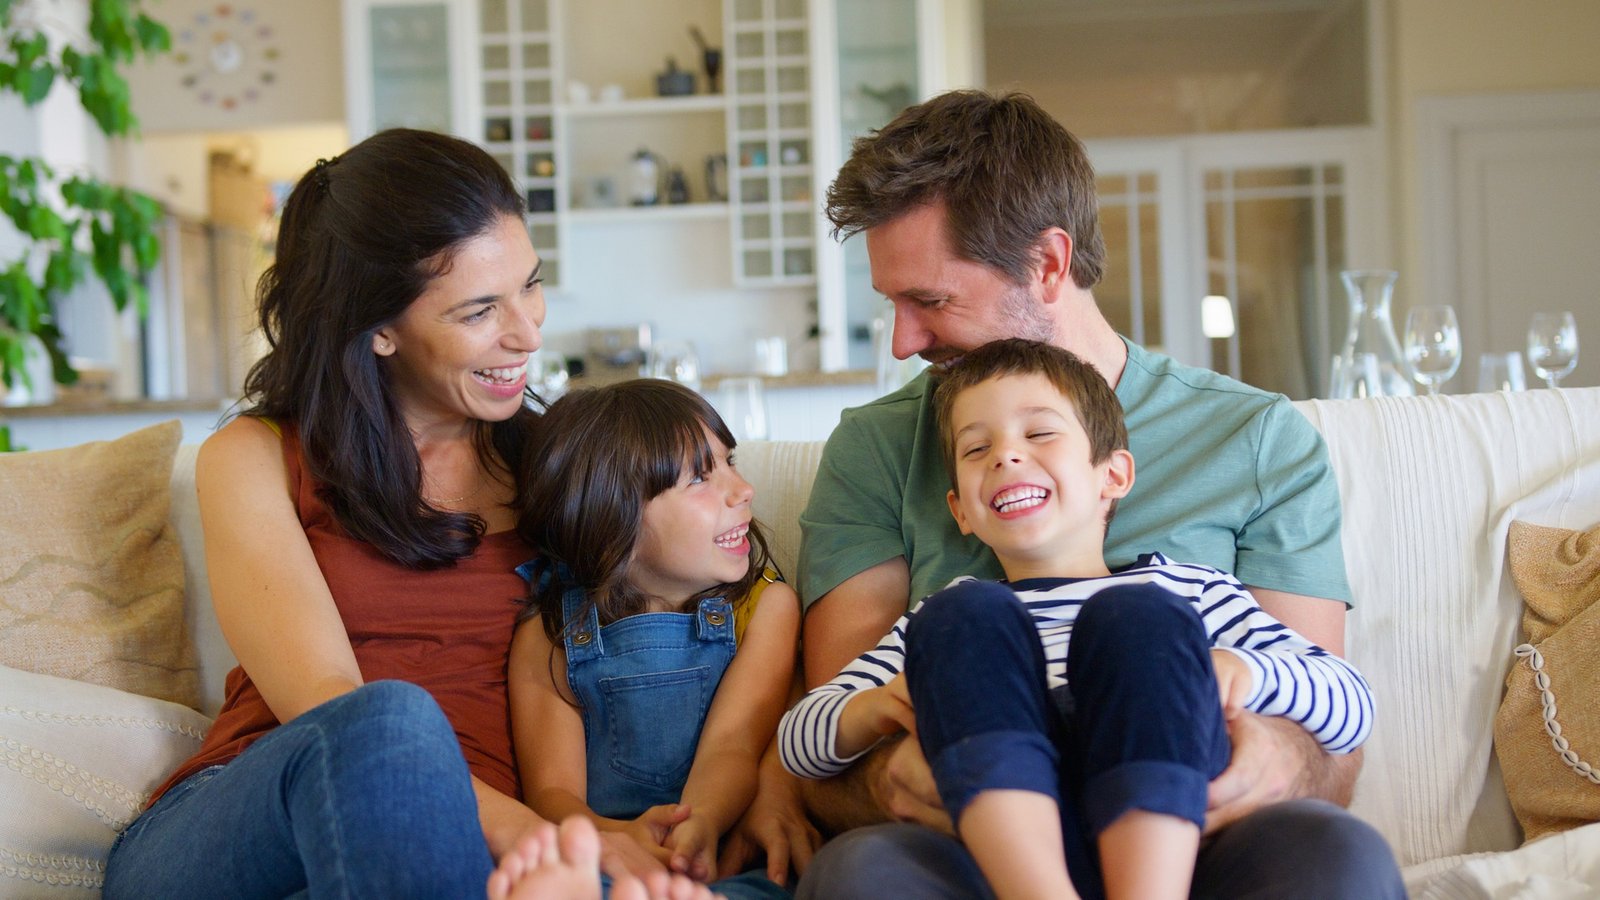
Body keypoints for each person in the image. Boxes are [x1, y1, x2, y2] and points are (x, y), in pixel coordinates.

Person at [794, 90, 1404, 898]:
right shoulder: (874, 447)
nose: (904, 341)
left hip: (1197, 839)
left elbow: (1328, 738)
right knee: (857, 874)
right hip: (973, 847)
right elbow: (831, 755)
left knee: (1336, 856)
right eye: (892, 305)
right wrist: (892, 778)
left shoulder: (1256, 439)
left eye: (931, 301)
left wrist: (1275, 757)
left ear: (1048, 264)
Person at [103, 129, 710, 900]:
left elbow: (706, 600)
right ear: (379, 328)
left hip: (462, 863)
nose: (527, 332)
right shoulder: (255, 458)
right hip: (246, 827)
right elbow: (325, 697)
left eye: (530, 285)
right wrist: (542, 838)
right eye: (479, 310)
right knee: (387, 718)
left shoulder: (559, 464)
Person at [781, 339, 1375, 900]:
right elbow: (799, 742)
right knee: (859, 863)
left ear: (1113, 476)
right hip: (992, 849)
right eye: (976, 449)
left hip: (1179, 841)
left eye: (1039, 432)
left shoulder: (1191, 590)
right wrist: (875, 706)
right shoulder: (940, 622)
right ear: (960, 511)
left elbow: (1350, 703)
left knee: (1138, 619)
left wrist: (1245, 670)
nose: (1006, 455)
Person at [511, 379, 803, 899]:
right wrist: (619, 837)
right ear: (610, 516)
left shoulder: (765, 608)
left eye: (730, 462)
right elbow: (552, 792)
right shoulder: (552, 631)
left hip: (722, 853)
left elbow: (732, 746)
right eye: (700, 478)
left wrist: (701, 824)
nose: (743, 489)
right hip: (607, 856)